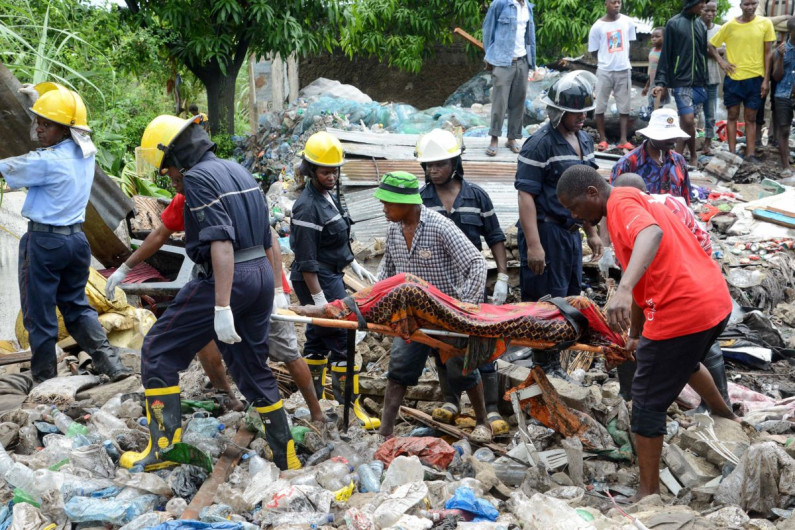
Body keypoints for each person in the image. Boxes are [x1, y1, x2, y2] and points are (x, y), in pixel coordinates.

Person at [120, 115, 299, 471]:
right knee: (250, 365)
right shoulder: (238, 171)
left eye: (168, 168)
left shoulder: (198, 178)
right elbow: (268, 236)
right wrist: (275, 288)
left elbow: (220, 241)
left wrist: (221, 305)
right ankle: (286, 453)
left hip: (228, 278)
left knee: (158, 349)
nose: (170, 176)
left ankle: (162, 449)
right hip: (260, 274)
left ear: (178, 157)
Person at [556, 164, 739, 501]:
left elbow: (650, 234)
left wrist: (623, 290)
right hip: (714, 302)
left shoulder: (620, 205)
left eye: (574, 206)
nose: (575, 216)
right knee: (685, 362)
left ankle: (647, 493)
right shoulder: (632, 197)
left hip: (684, 310)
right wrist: (636, 334)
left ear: (592, 193)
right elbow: (642, 277)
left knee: (645, 402)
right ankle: (726, 416)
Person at [104, 199, 325, 422]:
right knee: (208, 341)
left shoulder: (228, 195)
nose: (176, 184)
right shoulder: (187, 198)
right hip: (220, 280)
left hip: (258, 281)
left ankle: (316, 413)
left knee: (285, 352)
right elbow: (161, 233)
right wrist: (125, 268)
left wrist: (276, 288)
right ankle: (229, 397)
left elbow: (270, 241)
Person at [0, 82, 130, 384]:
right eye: (38, 121)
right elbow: (71, 127)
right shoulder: (86, 152)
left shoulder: (46, 162)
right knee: (77, 308)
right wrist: (39, 104)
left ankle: (45, 380)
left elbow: (9, 168)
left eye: (47, 124)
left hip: (44, 243)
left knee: (39, 315)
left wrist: (39, 108)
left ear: (65, 130)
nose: (39, 128)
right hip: (76, 242)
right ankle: (112, 365)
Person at [373, 171, 492, 443]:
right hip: (412, 316)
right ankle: (385, 433)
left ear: (407, 203)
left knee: (462, 369)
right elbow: (386, 271)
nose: (384, 209)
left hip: (446, 314)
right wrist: (377, 303)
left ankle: (483, 421)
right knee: (399, 370)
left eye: (388, 203)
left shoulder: (440, 227)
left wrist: (465, 309)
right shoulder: (393, 230)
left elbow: (476, 263)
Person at [415, 129, 510, 435]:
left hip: (473, 284)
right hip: (436, 287)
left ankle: (491, 408)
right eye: (429, 165)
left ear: (454, 163)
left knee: (481, 341)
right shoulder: (420, 200)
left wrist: (502, 276)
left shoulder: (476, 196)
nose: (433, 170)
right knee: (442, 344)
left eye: (440, 164)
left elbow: (495, 236)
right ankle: (451, 400)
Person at [611, 173, 731, 411]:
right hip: (685, 282)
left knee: (694, 347)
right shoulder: (639, 211)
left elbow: (676, 253)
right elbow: (637, 276)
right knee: (684, 356)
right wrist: (635, 331)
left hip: (691, 283)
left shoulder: (660, 211)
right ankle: (722, 410)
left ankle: (718, 404)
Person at [515, 71, 603, 378]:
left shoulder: (585, 140)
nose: (581, 118)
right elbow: (525, 195)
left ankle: (558, 359)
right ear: (558, 112)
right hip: (545, 230)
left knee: (569, 296)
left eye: (584, 113)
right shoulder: (539, 145)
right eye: (575, 113)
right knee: (546, 301)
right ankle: (543, 363)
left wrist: (591, 232)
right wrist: (534, 245)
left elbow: (587, 190)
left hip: (570, 233)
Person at [290, 131, 380, 430]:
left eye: (334, 171)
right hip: (316, 278)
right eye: (325, 172)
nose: (331, 176)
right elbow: (306, 260)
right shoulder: (307, 206)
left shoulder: (328, 195)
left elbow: (334, 238)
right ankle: (349, 410)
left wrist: (352, 263)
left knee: (318, 338)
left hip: (331, 272)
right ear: (311, 170)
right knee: (342, 337)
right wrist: (321, 302)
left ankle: (315, 400)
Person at [708, 0, 776, 164]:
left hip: (756, 78)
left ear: (757, 4)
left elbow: (768, 53)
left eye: (753, 3)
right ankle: (732, 154)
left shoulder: (765, 23)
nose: (750, 7)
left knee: (751, 117)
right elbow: (711, 45)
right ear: (740, 5)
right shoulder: (730, 26)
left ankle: (750, 154)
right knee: (732, 115)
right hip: (733, 78)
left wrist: (766, 80)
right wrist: (722, 62)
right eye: (746, 4)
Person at [653, 0, 709, 166]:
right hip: (681, 81)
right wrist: (661, 81)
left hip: (698, 82)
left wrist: (705, 79)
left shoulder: (701, 25)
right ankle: (693, 155)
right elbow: (666, 54)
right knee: (688, 119)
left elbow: (703, 55)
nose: (704, 6)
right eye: (701, 2)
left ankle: (679, 156)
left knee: (687, 122)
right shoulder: (674, 23)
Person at [482, 0, 536, 157]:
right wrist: (490, 57)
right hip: (503, 62)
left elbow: (530, 37)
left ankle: (512, 138)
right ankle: (494, 138)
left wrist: (531, 62)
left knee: (518, 102)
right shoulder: (499, 4)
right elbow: (488, 31)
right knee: (499, 103)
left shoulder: (528, 7)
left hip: (522, 61)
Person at [610, 108, 692, 204]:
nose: (672, 140)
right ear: (651, 135)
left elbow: (686, 200)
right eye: (666, 136)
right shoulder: (627, 164)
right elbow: (614, 203)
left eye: (674, 136)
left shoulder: (679, 161)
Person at [588, 0, 637, 151]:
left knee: (624, 107)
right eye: (613, 2)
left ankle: (623, 139)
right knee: (600, 106)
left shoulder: (628, 22)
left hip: (624, 69)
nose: (617, 5)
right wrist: (605, 60)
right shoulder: (597, 26)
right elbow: (593, 50)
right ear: (605, 4)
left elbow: (630, 43)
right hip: (604, 70)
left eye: (619, 2)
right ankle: (603, 139)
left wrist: (621, 59)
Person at [754, 0, 795, 146]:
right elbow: (757, 21)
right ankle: (756, 139)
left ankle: (775, 138)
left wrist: (768, 22)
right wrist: (785, 17)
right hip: (762, 55)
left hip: (786, 54)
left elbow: (793, 24)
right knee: (758, 97)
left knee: (779, 98)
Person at [772, 16, 795, 176]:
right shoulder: (781, 50)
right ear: (790, 32)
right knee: (784, 130)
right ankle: (785, 166)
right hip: (783, 94)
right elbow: (777, 76)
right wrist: (780, 57)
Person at [701, 2, 724, 155]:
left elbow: (722, 51)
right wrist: (712, 49)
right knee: (691, 114)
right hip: (695, 78)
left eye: (713, 11)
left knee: (710, 115)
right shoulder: (694, 27)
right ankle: (690, 143)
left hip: (712, 77)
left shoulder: (719, 29)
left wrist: (705, 49)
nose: (710, 14)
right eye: (706, 10)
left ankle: (707, 144)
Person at [641, 28, 670, 113]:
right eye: (652, 37)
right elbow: (651, 71)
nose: (654, 39)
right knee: (651, 107)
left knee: (657, 109)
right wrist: (646, 86)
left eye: (657, 36)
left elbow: (667, 71)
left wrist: (664, 88)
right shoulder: (652, 51)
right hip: (652, 85)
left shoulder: (665, 53)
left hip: (660, 85)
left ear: (665, 37)